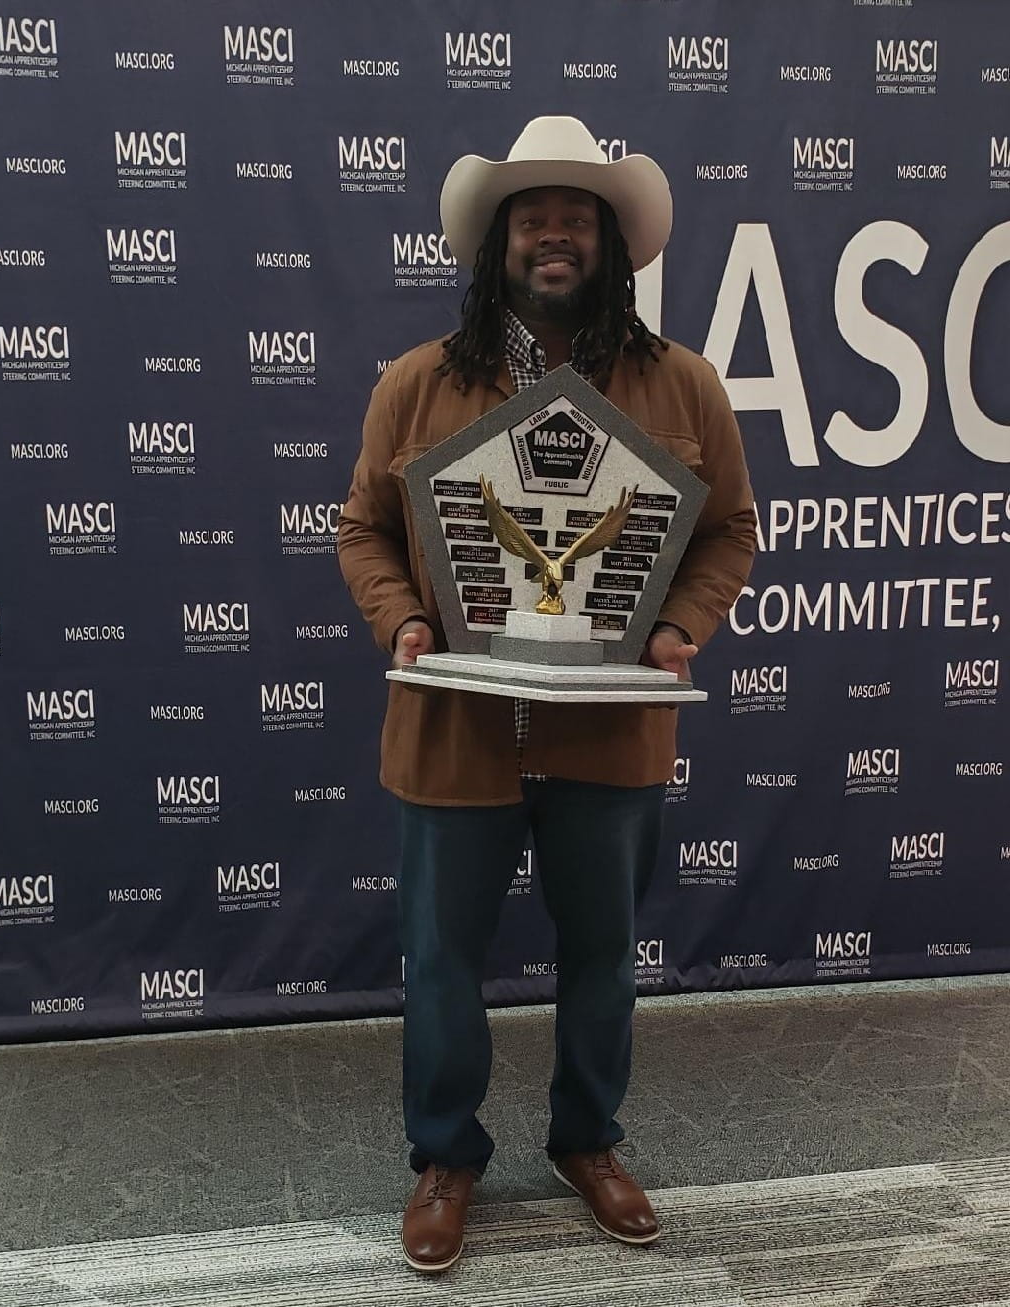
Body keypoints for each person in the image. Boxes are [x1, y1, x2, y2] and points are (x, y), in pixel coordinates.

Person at [338, 116, 756, 1273]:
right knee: (443, 961)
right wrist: (404, 619)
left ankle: (589, 1138)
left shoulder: (685, 386)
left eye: (578, 216)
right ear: (499, 242)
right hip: (454, 727)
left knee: (604, 957)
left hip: (611, 733)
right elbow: (363, 528)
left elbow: (729, 532)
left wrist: (678, 624)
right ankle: (444, 1154)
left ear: (612, 245)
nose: (556, 233)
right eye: (535, 216)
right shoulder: (417, 385)